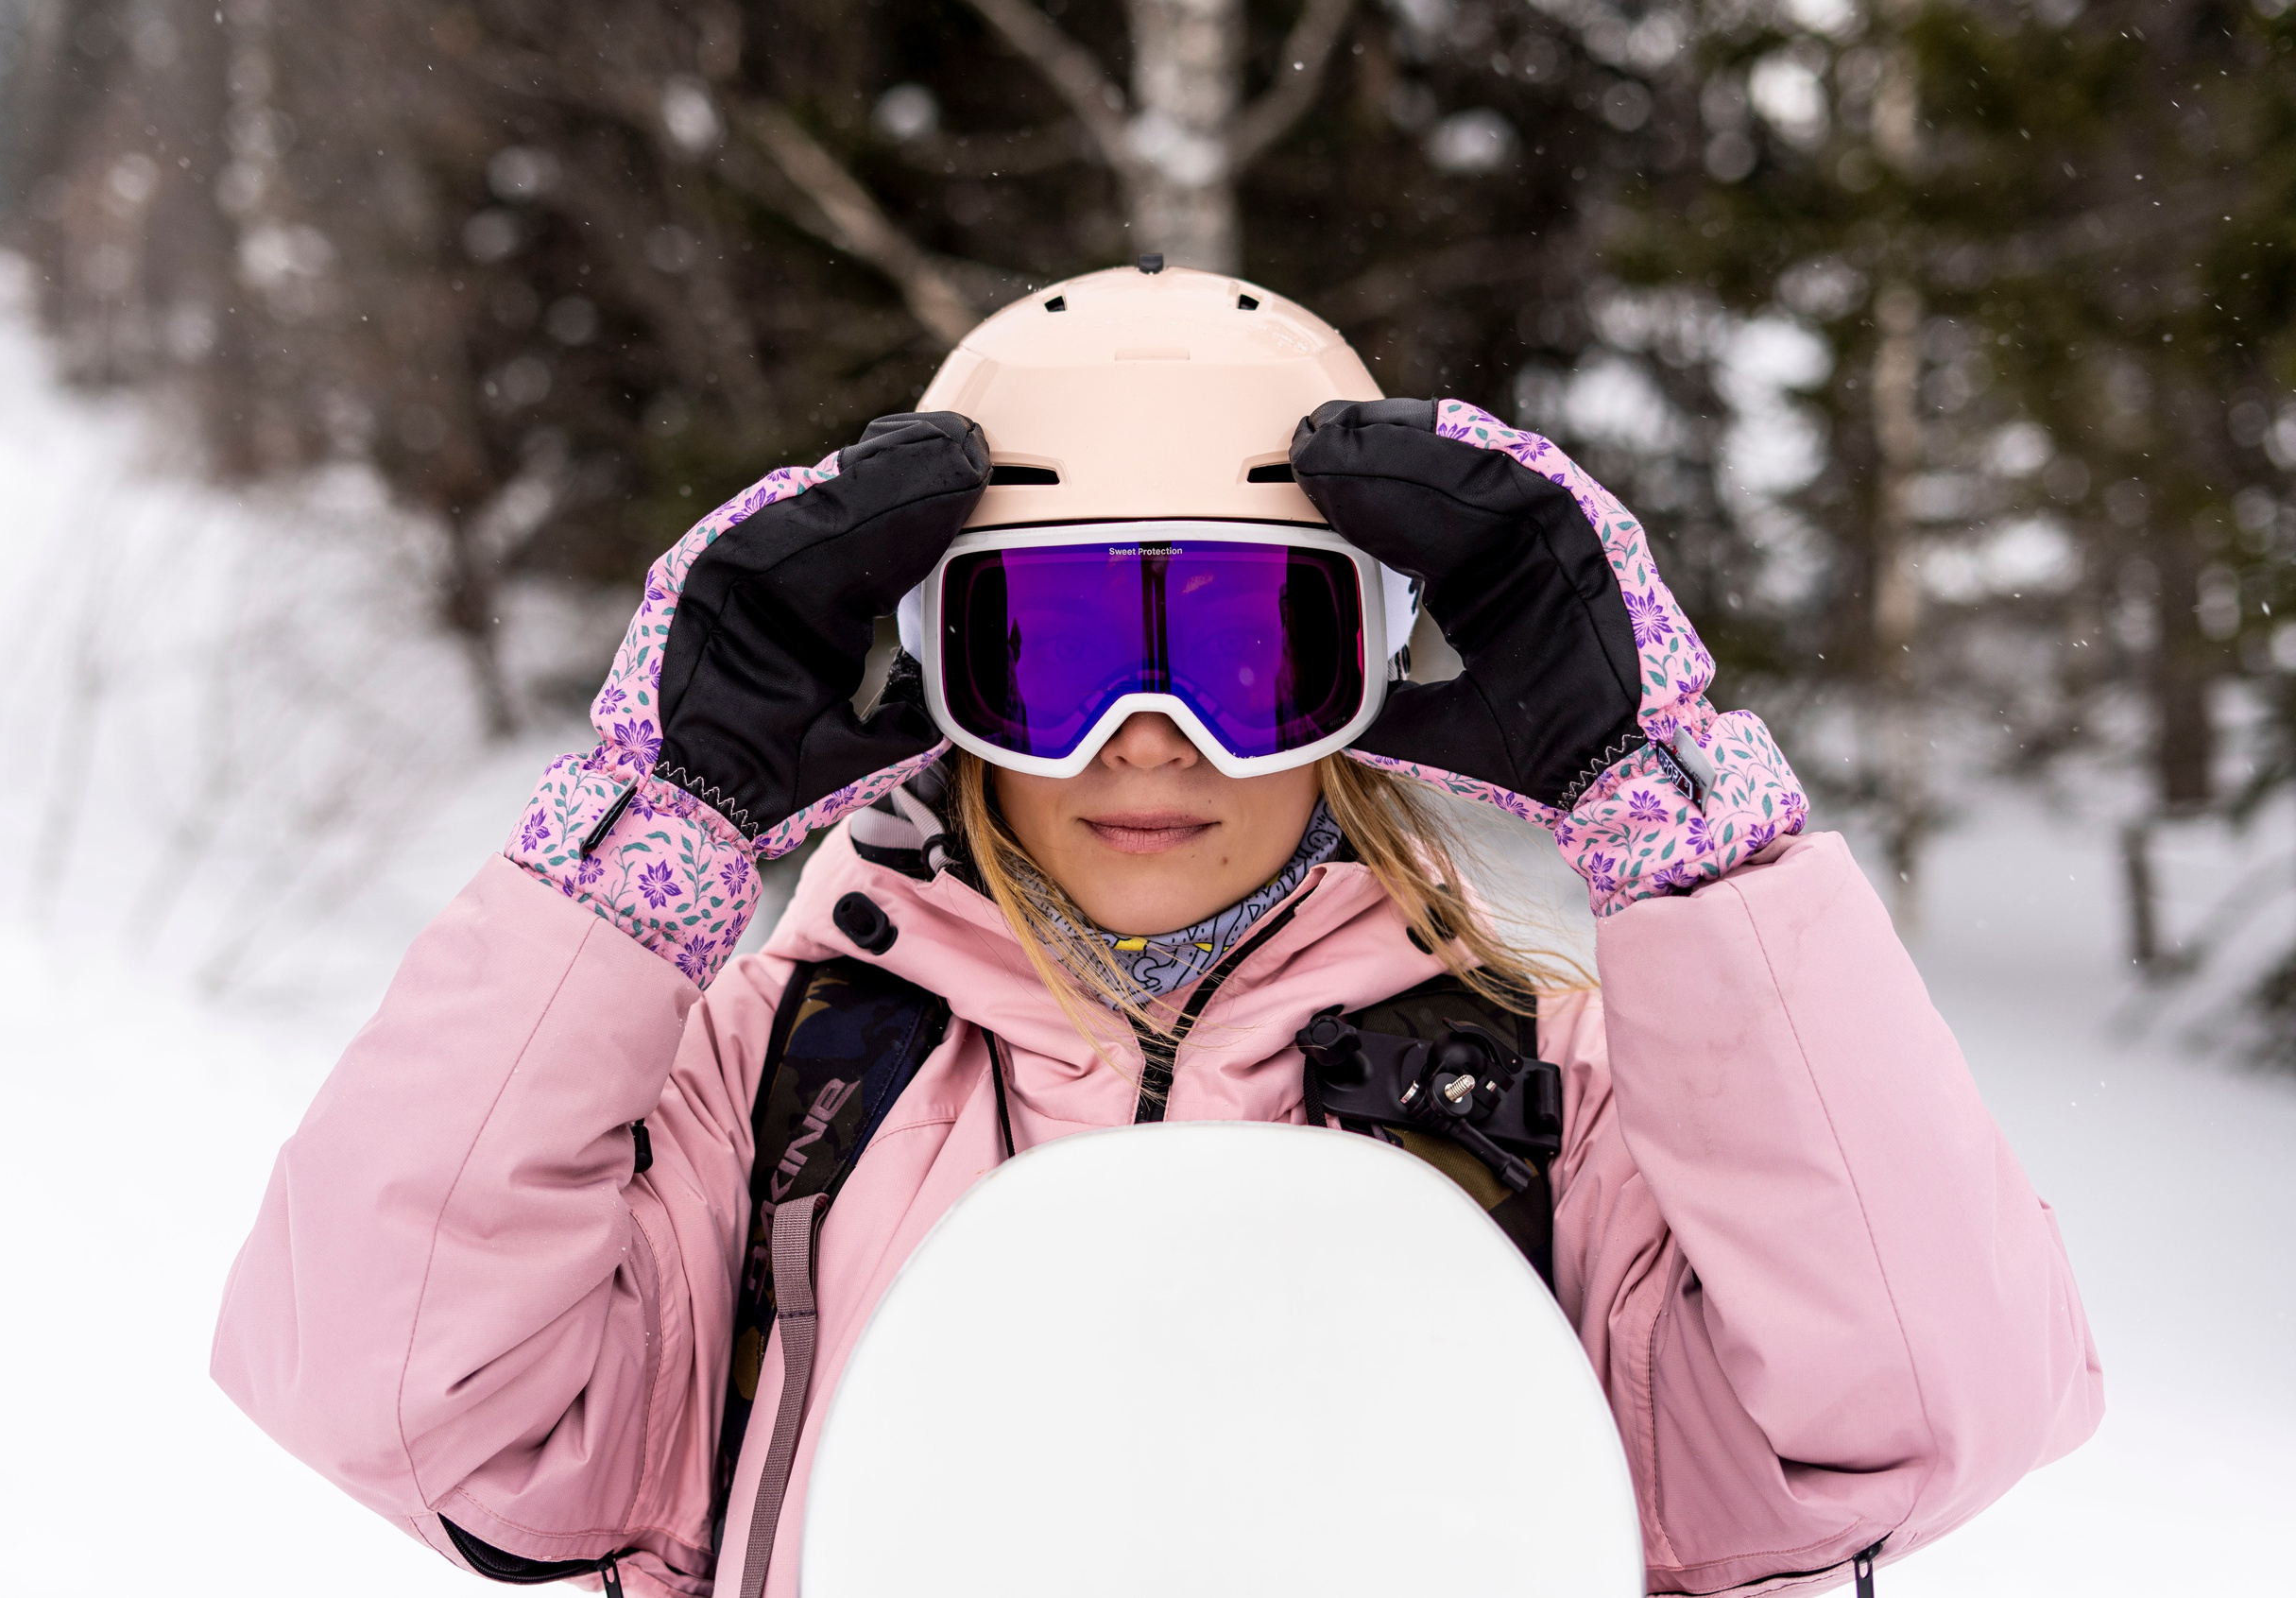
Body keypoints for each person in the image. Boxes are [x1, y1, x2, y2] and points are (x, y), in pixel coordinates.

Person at [213, 266, 2100, 1598]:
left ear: (1364, 669)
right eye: (1046, 656)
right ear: (932, 669)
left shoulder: (1547, 1087)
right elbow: (389, 1397)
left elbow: (1921, 1419)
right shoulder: (789, 1070)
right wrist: (655, 831)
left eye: (1235, 651)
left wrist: (1668, 810)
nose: (1146, 742)